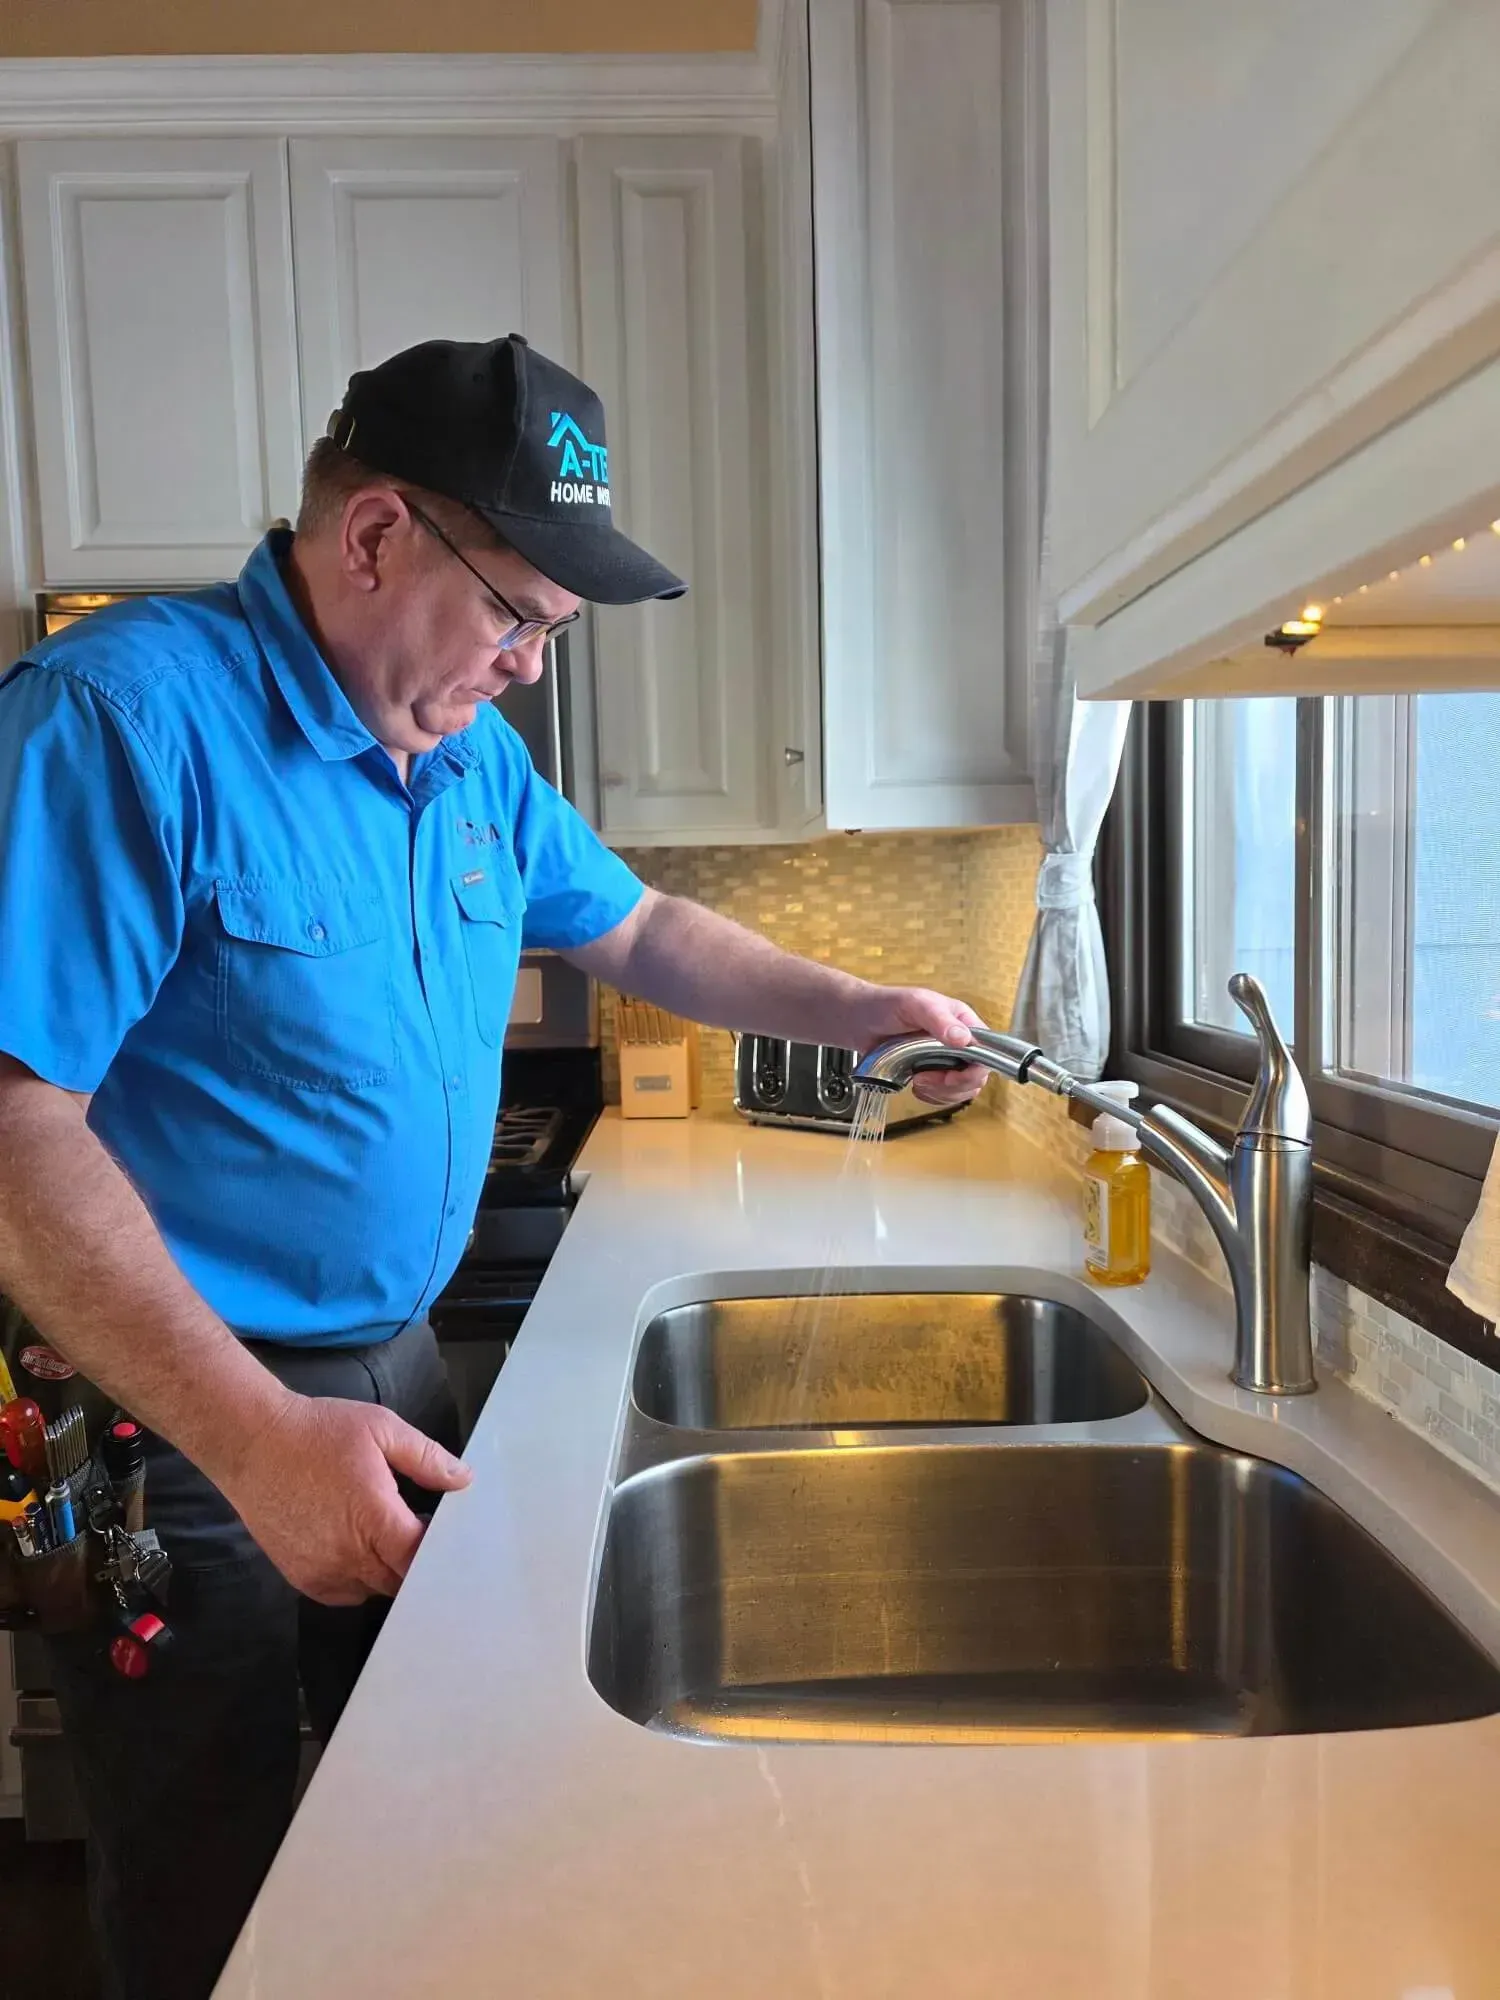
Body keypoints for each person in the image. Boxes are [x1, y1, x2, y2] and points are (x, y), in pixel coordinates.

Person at [0, 334, 984, 1998]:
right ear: (375, 534)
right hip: (183, 1416)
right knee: (207, 1894)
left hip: (394, 1364)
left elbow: (641, 925)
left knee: (429, 1833)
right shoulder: (119, 720)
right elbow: (17, 1125)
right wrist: (254, 1436)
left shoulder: (467, 763)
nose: (531, 664)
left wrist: (860, 1005)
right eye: (521, 613)